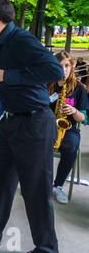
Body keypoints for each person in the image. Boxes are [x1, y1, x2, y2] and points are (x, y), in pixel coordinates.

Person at [0, 0, 63, 253]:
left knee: (36, 189)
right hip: (11, 121)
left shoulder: (21, 39)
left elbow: (54, 71)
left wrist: (4, 75)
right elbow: (11, 67)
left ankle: (47, 250)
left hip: (34, 123)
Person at [47, 51, 88, 204]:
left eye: (66, 66)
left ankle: (57, 185)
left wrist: (74, 111)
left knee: (70, 148)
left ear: (71, 67)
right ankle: (42, 184)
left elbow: (83, 118)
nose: (63, 69)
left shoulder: (79, 88)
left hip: (69, 128)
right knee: (39, 145)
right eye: (59, 66)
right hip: (48, 126)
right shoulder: (47, 85)